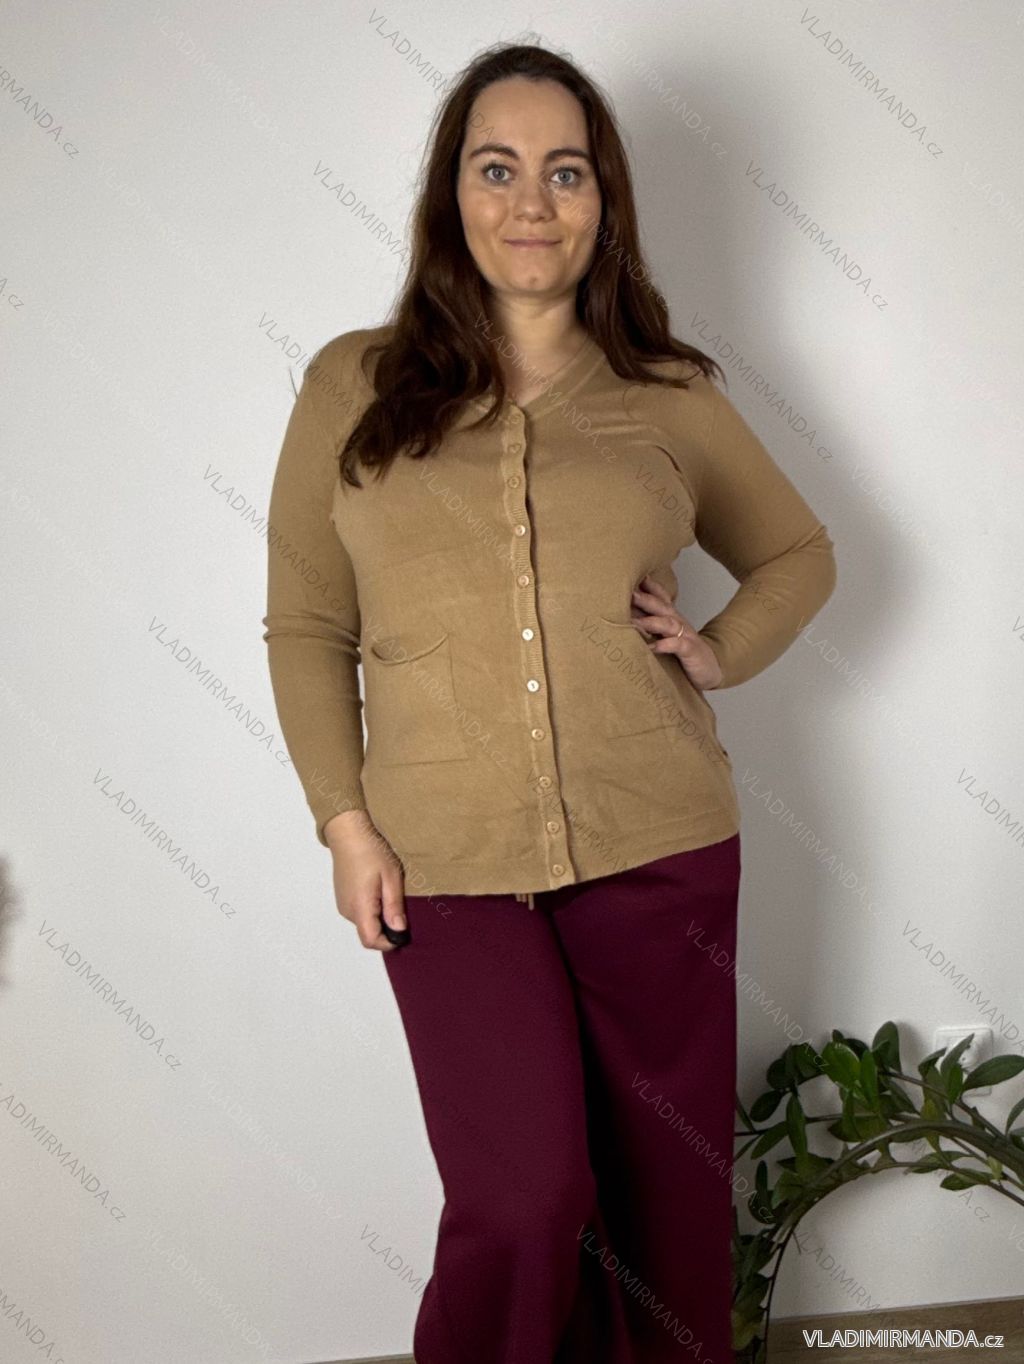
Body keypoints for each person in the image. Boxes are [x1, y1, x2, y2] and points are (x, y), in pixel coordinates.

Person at [262, 40, 837, 1364]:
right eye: (498, 167)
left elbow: (801, 553)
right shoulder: (352, 384)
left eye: (565, 171)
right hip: (444, 864)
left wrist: (717, 650)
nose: (532, 201)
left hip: (661, 842)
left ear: (604, 199)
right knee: (522, 1203)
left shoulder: (667, 394)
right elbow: (308, 624)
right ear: (451, 194)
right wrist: (343, 822)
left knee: (665, 1204)